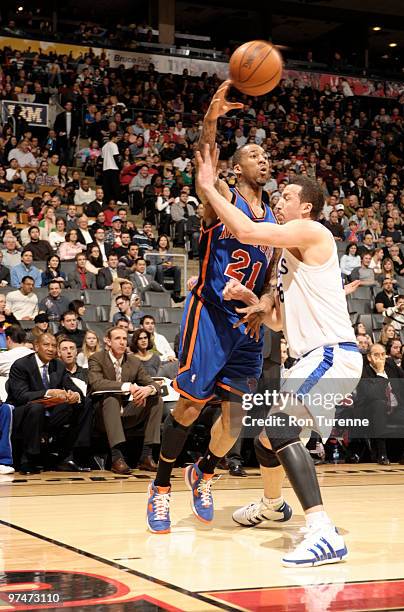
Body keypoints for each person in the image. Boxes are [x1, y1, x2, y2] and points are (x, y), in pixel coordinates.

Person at [193, 144, 363, 567]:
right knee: (268, 441)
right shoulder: (289, 257)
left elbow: (247, 232)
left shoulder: (313, 232)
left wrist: (209, 189)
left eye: (286, 196)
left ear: (305, 207)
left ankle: (324, 532)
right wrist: (256, 299)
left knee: (278, 426)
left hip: (330, 356)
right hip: (307, 357)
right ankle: (274, 504)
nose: (278, 201)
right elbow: (279, 324)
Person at [147, 82, 278, 538]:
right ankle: (161, 487)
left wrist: (264, 303)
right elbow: (205, 159)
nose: (264, 161)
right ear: (237, 166)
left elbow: (272, 278)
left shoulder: (275, 222)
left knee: (235, 422)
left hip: (249, 325)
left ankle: (204, 471)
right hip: (210, 316)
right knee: (188, 407)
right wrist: (211, 118)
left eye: (266, 157)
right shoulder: (221, 201)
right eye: (255, 155)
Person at [8, 333, 91, 474]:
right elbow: (21, 396)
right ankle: (29, 459)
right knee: (36, 407)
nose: (51, 349)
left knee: (85, 402)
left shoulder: (57, 364)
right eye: (46, 345)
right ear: (36, 346)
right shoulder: (21, 365)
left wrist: (75, 395)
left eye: (54, 346)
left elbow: (71, 386)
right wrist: (48, 393)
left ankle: (69, 457)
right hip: (25, 412)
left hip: (51, 412)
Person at [88, 326, 164, 474]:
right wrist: (127, 386)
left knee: (156, 400)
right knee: (111, 398)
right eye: (117, 338)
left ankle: (146, 456)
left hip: (127, 411)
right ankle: (117, 457)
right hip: (102, 416)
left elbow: (153, 383)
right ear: (108, 341)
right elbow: (96, 383)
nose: (122, 342)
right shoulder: (96, 358)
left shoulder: (134, 361)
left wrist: (148, 390)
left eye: (124, 338)